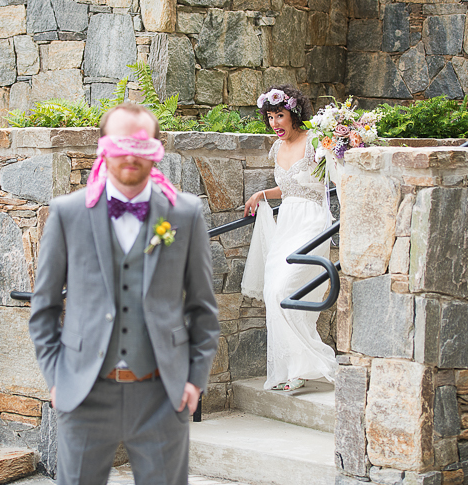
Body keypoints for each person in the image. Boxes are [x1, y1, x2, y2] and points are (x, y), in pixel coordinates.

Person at [28, 102, 220, 485]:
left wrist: (194, 381)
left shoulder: (185, 214)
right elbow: (44, 308)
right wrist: (56, 377)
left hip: (162, 394)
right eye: (120, 143)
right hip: (84, 394)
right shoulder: (68, 213)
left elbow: (203, 309)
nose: (130, 154)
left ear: (158, 149)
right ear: (102, 147)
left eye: (141, 144)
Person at [241, 85, 338, 392]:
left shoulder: (315, 143)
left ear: (294, 114)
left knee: (287, 289)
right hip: (288, 224)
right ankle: (294, 369)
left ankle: (313, 362)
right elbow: (286, 188)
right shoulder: (276, 148)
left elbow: (333, 177)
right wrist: (261, 194)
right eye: (270, 117)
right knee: (274, 294)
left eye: (279, 116)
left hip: (312, 221)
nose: (275, 124)